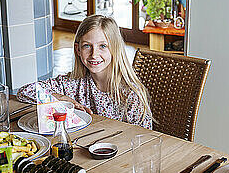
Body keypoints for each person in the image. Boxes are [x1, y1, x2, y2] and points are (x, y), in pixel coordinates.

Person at [17, 15, 152, 129]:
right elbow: (24, 92)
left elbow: (144, 139)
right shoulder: (72, 83)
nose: (94, 54)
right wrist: (60, 98)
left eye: (103, 46)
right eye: (87, 46)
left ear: (115, 49)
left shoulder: (130, 94)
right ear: (78, 50)